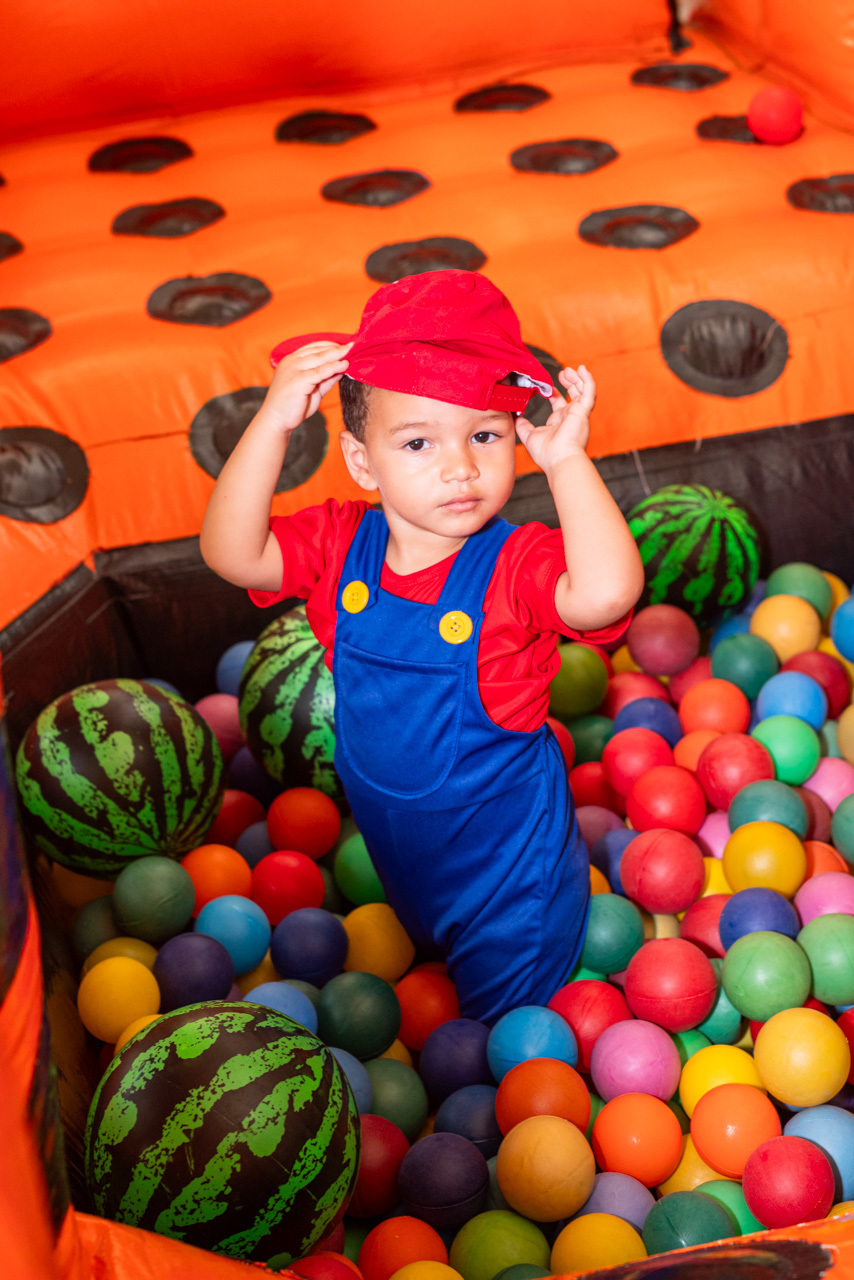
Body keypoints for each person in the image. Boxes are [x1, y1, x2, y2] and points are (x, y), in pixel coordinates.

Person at [201, 269, 644, 1023]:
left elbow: (606, 595)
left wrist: (567, 461)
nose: (460, 466)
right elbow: (232, 554)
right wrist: (272, 424)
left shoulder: (515, 565)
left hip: (509, 879)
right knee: (425, 968)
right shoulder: (341, 544)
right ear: (362, 461)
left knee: (501, 1042)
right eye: (418, 441)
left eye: (485, 436)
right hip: (401, 857)